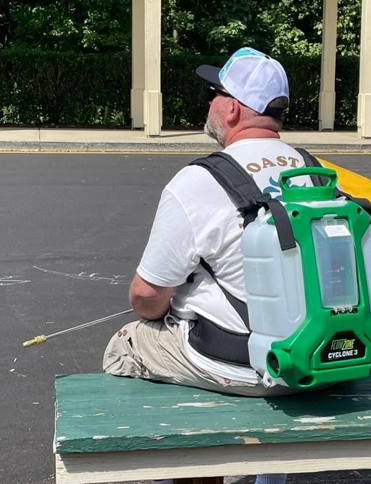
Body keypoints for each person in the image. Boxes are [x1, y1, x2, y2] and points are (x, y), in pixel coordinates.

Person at [103, 47, 310, 484]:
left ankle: (189, 472)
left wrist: (155, 313)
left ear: (233, 108)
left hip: (245, 364)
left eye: (214, 93)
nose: (210, 103)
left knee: (126, 346)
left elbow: (146, 296)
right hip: (315, 355)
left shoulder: (200, 180)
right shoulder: (312, 169)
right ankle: (272, 478)